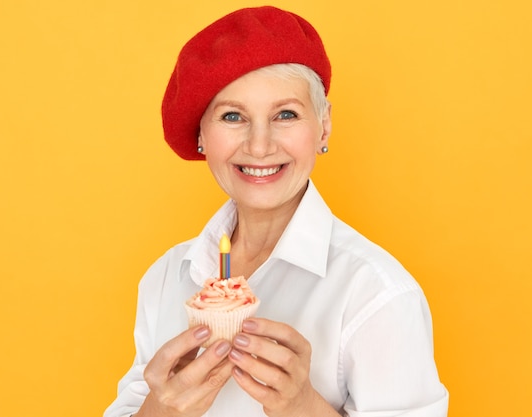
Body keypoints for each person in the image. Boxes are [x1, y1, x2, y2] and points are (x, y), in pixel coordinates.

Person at [104, 6, 448, 417]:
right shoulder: (166, 277)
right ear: (201, 135)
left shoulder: (377, 294)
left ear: (323, 126)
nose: (260, 145)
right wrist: (161, 409)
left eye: (286, 114)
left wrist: (303, 407)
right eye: (233, 116)